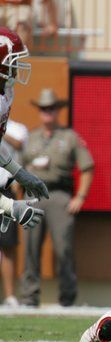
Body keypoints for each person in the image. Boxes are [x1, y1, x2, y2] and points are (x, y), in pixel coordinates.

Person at [20, 87, 93, 307]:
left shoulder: (69, 137)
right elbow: (19, 168)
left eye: (51, 108)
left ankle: (67, 297)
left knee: (63, 247)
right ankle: (29, 297)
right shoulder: (31, 138)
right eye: (44, 108)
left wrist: (80, 196)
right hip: (32, 195)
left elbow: (88, 167)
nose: (47, 112)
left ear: (57, 111)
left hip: (59, 194)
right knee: (30, 248)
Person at [0, 27, 49, 269]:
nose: (17, 68)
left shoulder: (5, 93)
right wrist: (9, 206)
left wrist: (19, 173)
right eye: (13, 61)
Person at [0, 118, 27, 306]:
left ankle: (10, 296)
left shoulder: (17, 128)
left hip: (5, 190)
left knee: (7, 245)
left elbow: (19, 144)